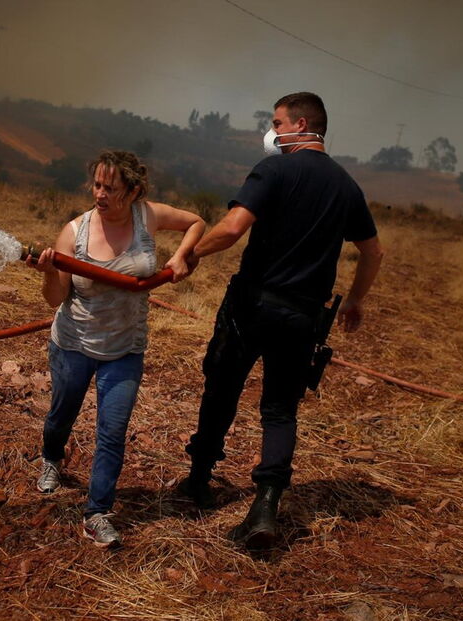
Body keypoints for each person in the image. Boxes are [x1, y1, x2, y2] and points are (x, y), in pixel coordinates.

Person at [177, 92, 384, 549]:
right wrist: (354, 301)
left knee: (222, 389)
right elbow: (372, 252)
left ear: (300, 124)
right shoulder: (347, 186)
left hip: (251, 306)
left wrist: (188, 254)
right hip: (303, 317)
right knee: (279, 410)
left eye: (276, 122)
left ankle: (197, 483)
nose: (270, 131)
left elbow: (232, 229)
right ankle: (265, 509)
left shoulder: (273, 169)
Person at [27, 150, 205, 548]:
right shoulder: (75, 232)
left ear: (133, 191)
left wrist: (179, 256)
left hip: (125, 348)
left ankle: (97, 513)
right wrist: (48, 273)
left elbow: (197, 222)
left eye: (111, 187)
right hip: (75, 342)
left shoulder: (149, 216)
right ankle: (52, 458)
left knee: (112, 431)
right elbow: (55, 299)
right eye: (97, 185)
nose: (100, 194)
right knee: (63, 413)